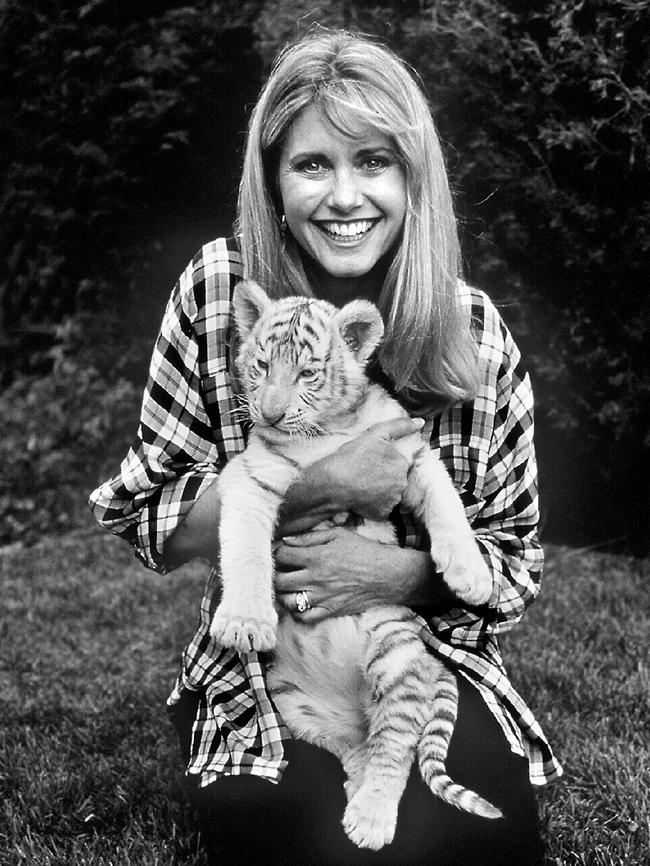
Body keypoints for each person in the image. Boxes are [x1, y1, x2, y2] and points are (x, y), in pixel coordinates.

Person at [89, 29, 562, 866]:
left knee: (478, 840)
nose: (345, 196)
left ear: (414, 180)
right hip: (276, 650)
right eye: (313, 165)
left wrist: (398, 572)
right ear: (272, 178)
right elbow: (141, 512)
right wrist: (316, 485)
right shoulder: (218, 288)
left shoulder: (474, 330)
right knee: (293, 837)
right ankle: (211, 713)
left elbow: (513, 563)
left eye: (374, 161)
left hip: (420, 648)